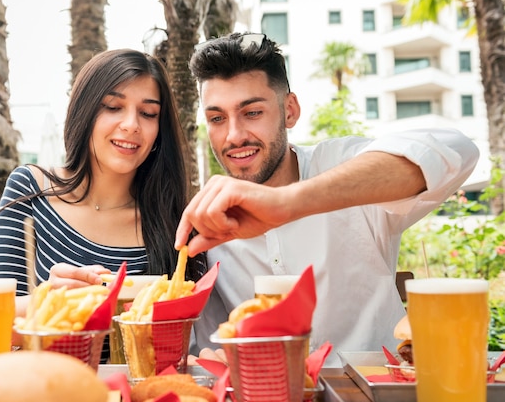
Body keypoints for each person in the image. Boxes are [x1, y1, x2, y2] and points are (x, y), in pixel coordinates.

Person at [176, 32, 480, 367]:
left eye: (252, 112)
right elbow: (203, 343)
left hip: (373, 391)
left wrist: (289, 203)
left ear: (289, 110)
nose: (233, 135)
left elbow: (457, 150)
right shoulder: (209, 220)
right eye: (217, 118)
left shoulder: (343, 165)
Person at [0, 49, 207, 324]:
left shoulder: (176, 223)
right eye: (113, 107)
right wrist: (48, 300)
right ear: (84, 111)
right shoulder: (30, 190)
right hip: (43, 367)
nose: (131, 125)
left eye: (148, 113)